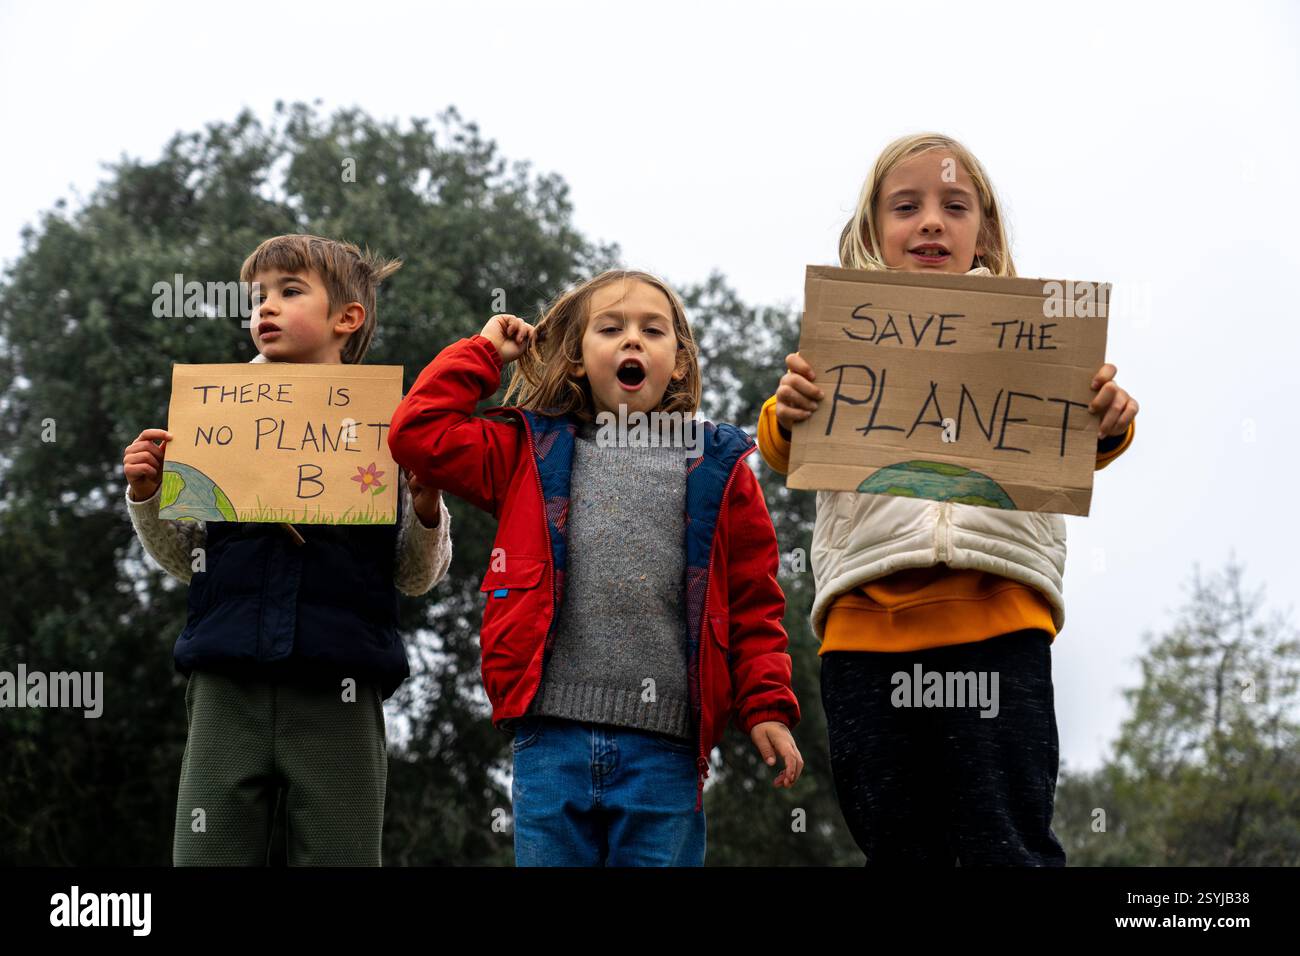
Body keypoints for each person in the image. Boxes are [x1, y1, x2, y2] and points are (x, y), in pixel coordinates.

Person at [757, 133, 1138, 865]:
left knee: (1006, 841)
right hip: (866, 640)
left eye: (953, 205)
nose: (930, 221)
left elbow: (1084, 436)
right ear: (872, 231)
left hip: (1000, 630)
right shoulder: (844, 340)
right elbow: (783, 445)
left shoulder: (1036, 340)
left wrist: (1109, 422)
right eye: (906, 206)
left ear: (984, 232)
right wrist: (789, 408)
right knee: (898, 845)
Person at [387, 269, 803, 866]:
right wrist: (483, 352)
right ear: (579, 359)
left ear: (679, 363)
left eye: (652, 330)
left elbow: (755, 601)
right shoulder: (529, 452)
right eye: (610, 328)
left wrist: (766, 706)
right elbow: (418, 434)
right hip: (550, 740)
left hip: (668, 749)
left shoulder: (719, 466)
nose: (632, 339)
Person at [122, 234, 452, 865]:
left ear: (346, 319)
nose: (265, 308)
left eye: (290, 292)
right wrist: (147, 493)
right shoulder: (215, 418)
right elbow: (184, 558)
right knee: (206, 855)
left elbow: (415, 576)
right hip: (225, 683)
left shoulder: (388, 430)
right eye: (258, 297)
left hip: (342, 688)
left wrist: (425, 505)